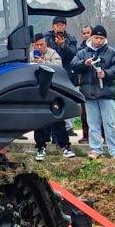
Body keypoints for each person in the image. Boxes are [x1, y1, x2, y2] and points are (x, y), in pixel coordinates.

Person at [71, 25, 115, 159]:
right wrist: (84, 64)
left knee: (110, 123)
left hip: (106, 94)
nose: (98, 40)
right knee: (92, 124)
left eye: (101, 38)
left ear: (105, 39)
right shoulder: (83, 52)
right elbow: (73, 65)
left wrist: (106, 73)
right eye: (96, 37)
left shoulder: (111, 52)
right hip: (89, 94)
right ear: (91, 37)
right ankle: (95, 150)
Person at [30, 31, 76, 160]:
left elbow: (59, 69)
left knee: (57, 120)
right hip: (37, 92)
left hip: (53, 92)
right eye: (37, 45)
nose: (39, 47)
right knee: (40, 122)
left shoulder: (53, 54)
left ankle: (65, 147)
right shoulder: (29, 56)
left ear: (46, 44)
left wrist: (44, 62)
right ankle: (40, 147)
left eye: (42, 45)